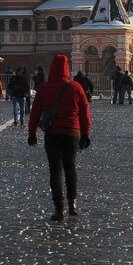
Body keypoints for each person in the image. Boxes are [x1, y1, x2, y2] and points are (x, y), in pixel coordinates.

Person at [27, 54, 91, 222]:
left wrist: (32, 132)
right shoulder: (76, 87)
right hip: (72, 132)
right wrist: (86, 134)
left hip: (53, 133)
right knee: (70, 167)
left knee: (55, 170)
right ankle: (73, 204)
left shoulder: (44, 88)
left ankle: (59, 209)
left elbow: (35, 113)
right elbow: (85, 114)